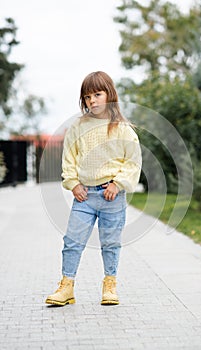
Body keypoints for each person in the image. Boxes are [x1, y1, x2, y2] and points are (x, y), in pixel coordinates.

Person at [45, 71, 142, 306]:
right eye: (87, 97)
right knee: (72, 241)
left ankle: (110, 284)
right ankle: (66, 286)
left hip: (112, 197)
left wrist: (118, 183)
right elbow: (69, 158)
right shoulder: (78, 127)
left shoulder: (121, 128)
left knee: (110, 243)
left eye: (97, 94)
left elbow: (133, 160)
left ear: (109, 94)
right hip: (84, 196)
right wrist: (73, 183)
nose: (92, 101)